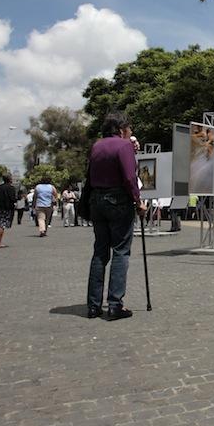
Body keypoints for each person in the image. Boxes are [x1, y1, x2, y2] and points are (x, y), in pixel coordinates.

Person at [86, 111, 145, 320]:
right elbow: (130, 177)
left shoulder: (97, 146)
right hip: (118, 201)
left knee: (100, 251)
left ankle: (93, 305)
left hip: (97, 201)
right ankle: (114, 304)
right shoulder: (124, 145)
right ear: (122, 130)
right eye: (129, 129)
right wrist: (138, 201)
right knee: (121, 251)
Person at [0, 173, 16, 248]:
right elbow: (13, 199)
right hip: (6, 209)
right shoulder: (11, 188)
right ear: (10, 179)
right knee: (1, 225)